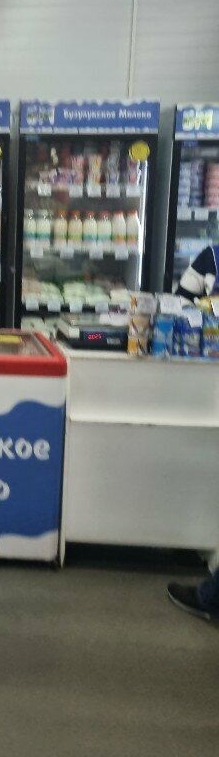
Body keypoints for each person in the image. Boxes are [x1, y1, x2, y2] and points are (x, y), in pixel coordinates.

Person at [167, 242, 219, 620]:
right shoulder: (210, 257)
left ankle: (212, 598)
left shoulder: (212, 256)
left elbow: (180, 302)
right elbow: (180, 304)